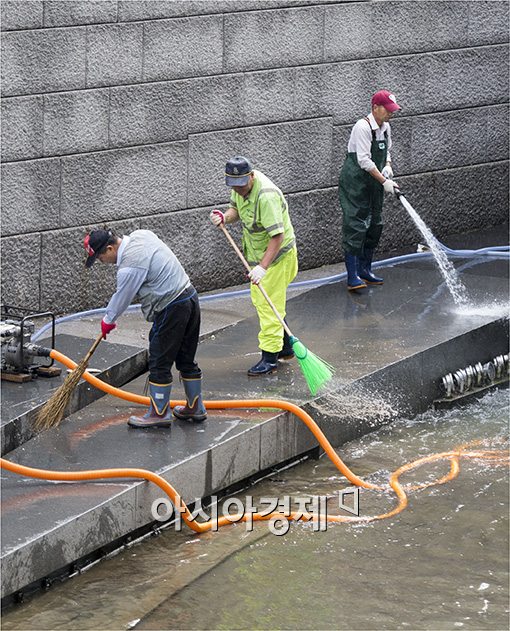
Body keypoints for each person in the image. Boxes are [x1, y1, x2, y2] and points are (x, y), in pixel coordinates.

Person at [83, 228, 206, 428]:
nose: (101, 262)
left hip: (171, 306)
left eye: (100, 257)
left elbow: (123, 296)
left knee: (158, 359)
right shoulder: (142, 235)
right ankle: (195, 407)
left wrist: (108, 320)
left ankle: (159, 414)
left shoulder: (129, 265)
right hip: (189, 297)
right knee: (185, 357)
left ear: (110, 248)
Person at [209, 156, 298, 376]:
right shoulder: (239, 187)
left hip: (277, 258)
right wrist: (224, 217)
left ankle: (270, 359)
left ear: (251, 175)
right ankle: (285, 348)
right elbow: (235, 209)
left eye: (241, 185)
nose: (237, 190)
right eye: (233, 186)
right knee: (273, 302)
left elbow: (277, 236)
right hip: (259, 256)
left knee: (266, 305)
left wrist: (263, 268)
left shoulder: (265, 196)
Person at [338, 89, 401, 290]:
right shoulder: (362, 127)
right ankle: (352, 275)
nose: (391, 113)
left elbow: (387, 150)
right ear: (375, 108)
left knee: (375, 223)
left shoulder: (386, 127)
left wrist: (388, 165)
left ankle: (365, 270)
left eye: (392, 110)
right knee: (355, 224)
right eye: (388, 109)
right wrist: (384, 181)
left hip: (374, 182)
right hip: (356, 182)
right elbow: (364, 160)